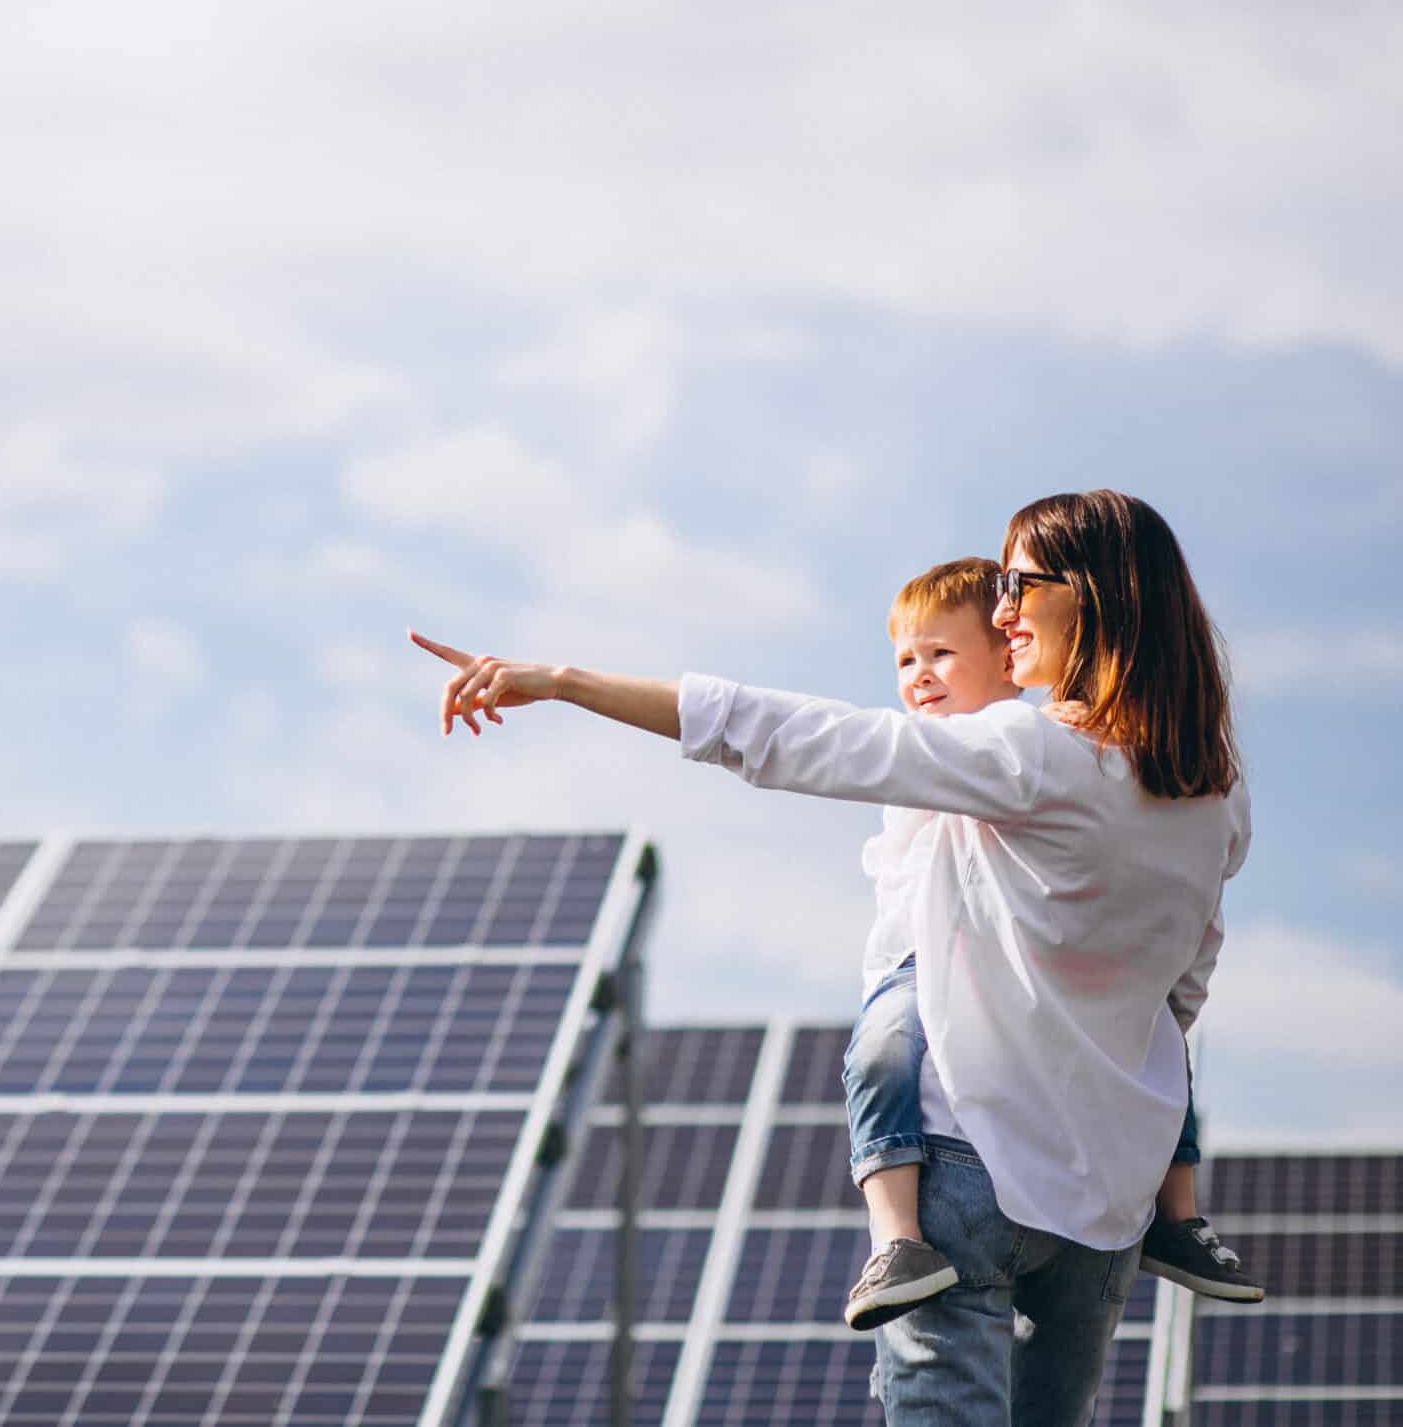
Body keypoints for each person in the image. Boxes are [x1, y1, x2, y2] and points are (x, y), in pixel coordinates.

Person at [411, 490, 1251, 1423]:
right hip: (1110, 1199)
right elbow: (1185, 981)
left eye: (1019, 584)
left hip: (975, 1157)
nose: (1003, 608)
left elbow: (801, 737)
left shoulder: (1029, 752)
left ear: (1092, 597)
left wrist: (565, 680)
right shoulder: (1214, 791)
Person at [839, 555, 1261, 1335]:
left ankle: (1180, 1216)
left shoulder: (1030, 743)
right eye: (905, 657)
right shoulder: (926, 752)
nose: (919, 674)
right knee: (879, 1048)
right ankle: (896, 1234)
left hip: (1033, 961)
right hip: (923, 958)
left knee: (1158, 1046)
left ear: (1006, 657)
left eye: (940, 653)